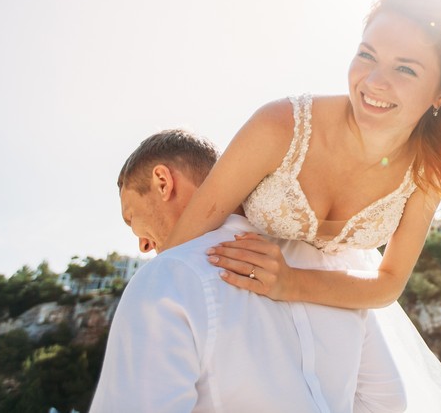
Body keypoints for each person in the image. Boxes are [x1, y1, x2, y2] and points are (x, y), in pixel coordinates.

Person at [164, 0, 441, 410]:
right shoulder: (280, 125)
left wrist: (291, 282)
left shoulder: (427, 172)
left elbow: (388, 284)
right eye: (366, 55)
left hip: (329, 305)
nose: (374, 82)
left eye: (405, 69)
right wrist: (159, 316)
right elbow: (190, 231)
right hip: (239, 295)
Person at [89, 129, 406, 413]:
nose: (143, 245)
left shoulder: (167, 278)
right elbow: (387, 402)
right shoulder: (330, 267)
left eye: (131, 218)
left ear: (163, 182)